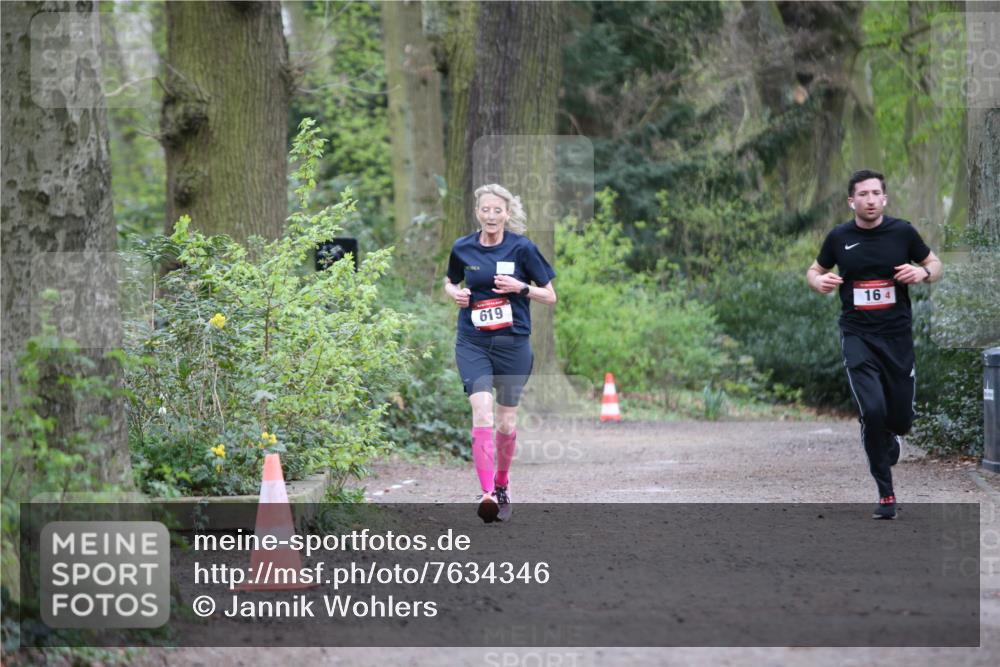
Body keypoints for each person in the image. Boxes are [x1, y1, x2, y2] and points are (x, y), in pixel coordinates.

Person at [806, 169, 942, 519]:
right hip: (857, 336)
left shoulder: (902, 232)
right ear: (851, 201)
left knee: (901, 420)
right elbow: (814, 270)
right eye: (862, 194)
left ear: (885, 198)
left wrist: (923, 273)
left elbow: (934, 263)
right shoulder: (839, 237)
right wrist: (818, 282)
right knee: (872, 411)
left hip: (897, 338)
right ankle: (885, 494)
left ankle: (892, 436)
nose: (870, 200)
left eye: (875, 193)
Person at [444, 184, 557, 523]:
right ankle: (487, 495)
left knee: (506, 422)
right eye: (485, 210)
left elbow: (550, 295)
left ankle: (502, 483)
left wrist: (521, 288)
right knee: (482, 412)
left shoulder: (523, 248)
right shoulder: (462, 247)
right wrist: (455, 294)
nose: (491, 216)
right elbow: (449, 281)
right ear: (477, 212)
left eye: (497, 210)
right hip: (473, 342)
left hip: (513, 343)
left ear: (507, 213)